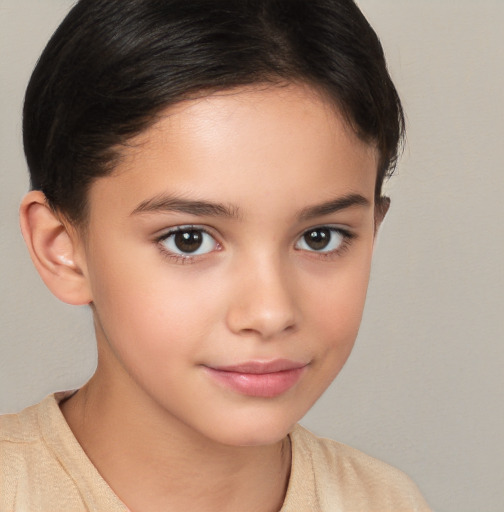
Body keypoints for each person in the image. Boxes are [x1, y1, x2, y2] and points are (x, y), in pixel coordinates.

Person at [0, 0, 432, 510]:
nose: (271, 313)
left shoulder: (385, 501)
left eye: (321, 237)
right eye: (189, 239)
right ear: (62, 249)